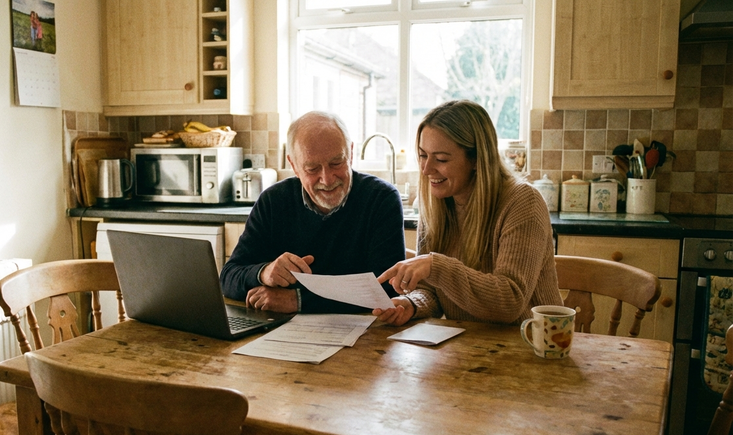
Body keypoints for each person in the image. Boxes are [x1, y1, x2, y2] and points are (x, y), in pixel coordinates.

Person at [373, 100, 561, 326]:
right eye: (423, 155)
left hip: (533, 345)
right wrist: (411, 305)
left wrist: (437, 267)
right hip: (471, 347)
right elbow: (431, 291)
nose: (426, 169)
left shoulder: (523, 202)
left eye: (441, 159)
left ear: (476, 159)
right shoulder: (437, 206)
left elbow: (510, 302)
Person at [220, 111, 406, 314]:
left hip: (365, 335)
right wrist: (264, 273)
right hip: (283, 334)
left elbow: (387, 289)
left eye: (336, 163)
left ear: (351, 154)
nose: (327, 179)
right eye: (312, 169)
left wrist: (299, 300)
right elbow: (228, 277)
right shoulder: (273, 201)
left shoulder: (381, 199)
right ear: (294, 166)